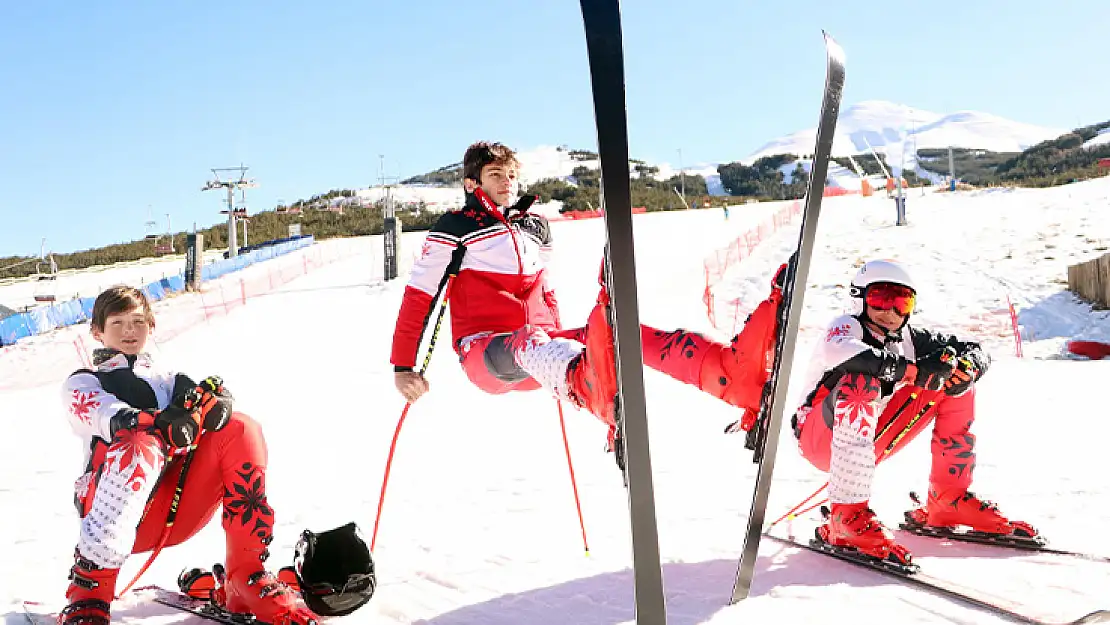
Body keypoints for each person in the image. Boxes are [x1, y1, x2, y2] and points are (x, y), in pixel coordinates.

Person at [391, 141, 788, 462]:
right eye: (495, 175)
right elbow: (419, 298)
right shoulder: (457, 227)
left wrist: (564, 338)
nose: (507, 182)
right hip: (486, 354)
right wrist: (404, 366)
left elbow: (545, 291)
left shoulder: (535, 227)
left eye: (512, 174)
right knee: (532, 339)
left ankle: (729, 374)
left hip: (545, 354)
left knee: (618, 333)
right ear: (471, 183)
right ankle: (593, 392)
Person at [58, 286, 319, 625]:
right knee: (139, 440)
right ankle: (90, 588)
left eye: (138, 321)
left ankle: (245, 574)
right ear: (98, 331)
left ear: (151, 326)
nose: (129, 331)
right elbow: (104, 413)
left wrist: (212, 405)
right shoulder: (85, 382)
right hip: (112, 516)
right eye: (118, 322)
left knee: (240, 427)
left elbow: (208, 410)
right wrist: (154, 421)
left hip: (175, 509)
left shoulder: (170, 381)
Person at [789, 259, 1037, 565]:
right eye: (880, 299)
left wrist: (967, 369)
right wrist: (910, 371)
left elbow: (972, 348)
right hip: (819, 438)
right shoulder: (846, 326)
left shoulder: (909, 337)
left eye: (901, 302)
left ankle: (947, 499)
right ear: (859, 298)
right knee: (861, 382)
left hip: (872, 437)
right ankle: (846, 516)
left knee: (954, 381)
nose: (890, 312)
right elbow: (840, 352)